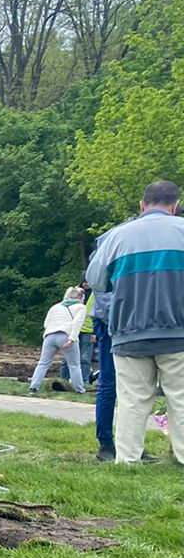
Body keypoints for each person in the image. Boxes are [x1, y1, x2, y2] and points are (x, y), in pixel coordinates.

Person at [86, 178, 184, 465]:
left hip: (129, 332)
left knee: (132, 400)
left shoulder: (118, 236)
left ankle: (127, 460)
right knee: (180, 398)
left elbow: (96, 281)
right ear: (175, 206)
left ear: (142, 205)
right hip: (179, 332)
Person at [88, 234, 117, 461]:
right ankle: (106, 443)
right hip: (110, 321)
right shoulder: (115, 240)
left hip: (131, 321)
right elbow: (100, 287)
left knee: (137, 387)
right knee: (110, 380)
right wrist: (115, 321)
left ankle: (130, 443)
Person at [28, 286, 88, 395]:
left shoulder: (55, 307)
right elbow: (77, 324)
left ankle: (34, 386)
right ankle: (80, 390)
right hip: (65, 335)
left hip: (49, 336)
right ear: (80, 297)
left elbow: (46, 323)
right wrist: (72, 339)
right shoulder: (81, 307)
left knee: (43, 363)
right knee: (74, 365)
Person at [61, 282, 95, 387]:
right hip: (72, 329)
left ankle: (84, 381)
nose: (86, 284)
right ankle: (64, 380)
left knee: (85, 358)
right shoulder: (73, 292)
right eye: (84, 282)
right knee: (67, 357)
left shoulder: (95, 293)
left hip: (88, 331)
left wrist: (95, 332)